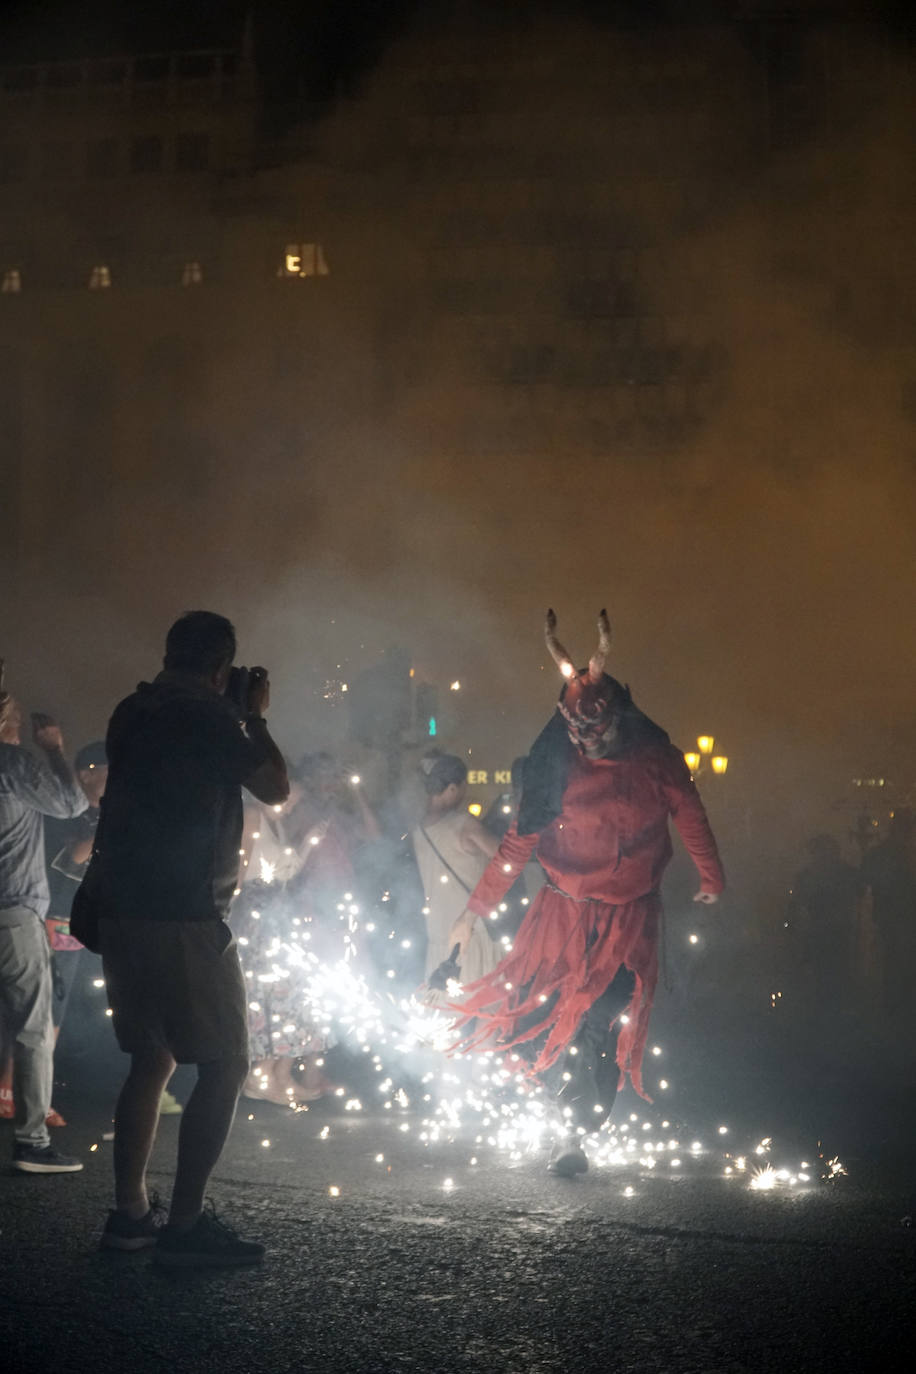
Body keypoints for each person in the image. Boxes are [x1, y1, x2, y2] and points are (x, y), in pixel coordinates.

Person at [448, 610, 724, 1177]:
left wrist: (710, 876)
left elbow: (691, 817)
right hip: (562, 917)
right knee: (546, 1016)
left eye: (600, 733)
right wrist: (472, 913)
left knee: (599, 1020)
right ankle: (553, 1111)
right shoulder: (552, 764)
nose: (590, 745)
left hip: (626, 921)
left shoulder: (658, 759)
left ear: (622, 717)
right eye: (580, 735)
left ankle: (573, 1131)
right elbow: (516, 844)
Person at [95, 612, 288, 1264]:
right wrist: (252, 715)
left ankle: (129, 1216)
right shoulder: (207, 717)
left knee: (150, 1057)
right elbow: (275, 787)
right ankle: (183, 1226)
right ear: (221, 667)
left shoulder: (132, 710)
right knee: (228, 1060)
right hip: (183, 915)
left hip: (122, 909)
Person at [0, 660, 87, 1172]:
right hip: (13, 911)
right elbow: (71, 803)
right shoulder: (11, 763)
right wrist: (53, 748)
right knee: (33, 1027)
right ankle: (32, 1143)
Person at [412, 753, 502, 989]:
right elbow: (508, 858)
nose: (464, 793)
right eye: (462, 787)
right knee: (488, 1010)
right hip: (473, 932)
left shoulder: (418, 828)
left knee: (444, 1015)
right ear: (452, 788)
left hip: (439, 934)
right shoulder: (463, 824)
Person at [859, 808, 916, 1032]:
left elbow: (864, 880)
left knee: (898, 965)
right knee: (896, 965)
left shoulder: (886, 853)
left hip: (897, 918)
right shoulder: (885, 854)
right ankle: (897, 1014)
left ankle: (899, 1013)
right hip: (895, 918)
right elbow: (865, 881)